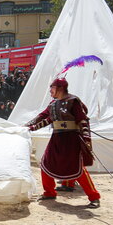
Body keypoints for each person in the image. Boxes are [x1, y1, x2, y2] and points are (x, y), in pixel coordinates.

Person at [26, 77, 100, 208]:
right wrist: (28, 126)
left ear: (60, 88)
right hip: (56, 138)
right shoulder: (53, 104)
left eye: (52, 88)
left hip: (71, 139)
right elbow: (44, 118)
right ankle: (49, 192)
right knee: (45, 164)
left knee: (78, 169)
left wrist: (87, 139)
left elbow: (83, 120)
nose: (50, 90)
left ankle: (94, 197)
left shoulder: (73, 101)